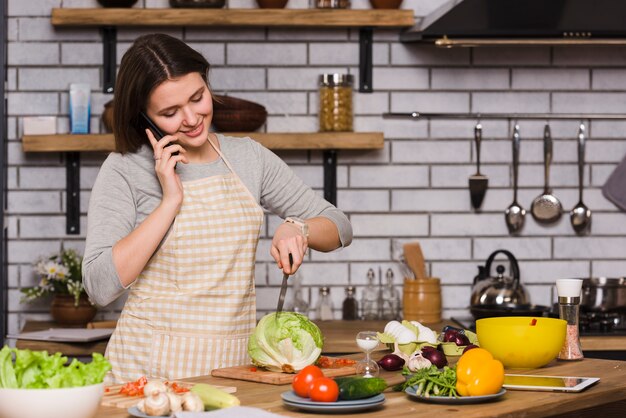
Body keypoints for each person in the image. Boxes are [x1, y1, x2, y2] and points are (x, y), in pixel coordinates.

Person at [82, 33, 352, 383]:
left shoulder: (248, 157)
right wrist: (170, 201)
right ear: (144, 116)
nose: (192, 118)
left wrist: (299, 227)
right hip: (146, 375)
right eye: (169, 112)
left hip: (232, 370)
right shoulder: (124, 169)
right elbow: (100, 287)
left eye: (197, 98)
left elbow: (339, 226)